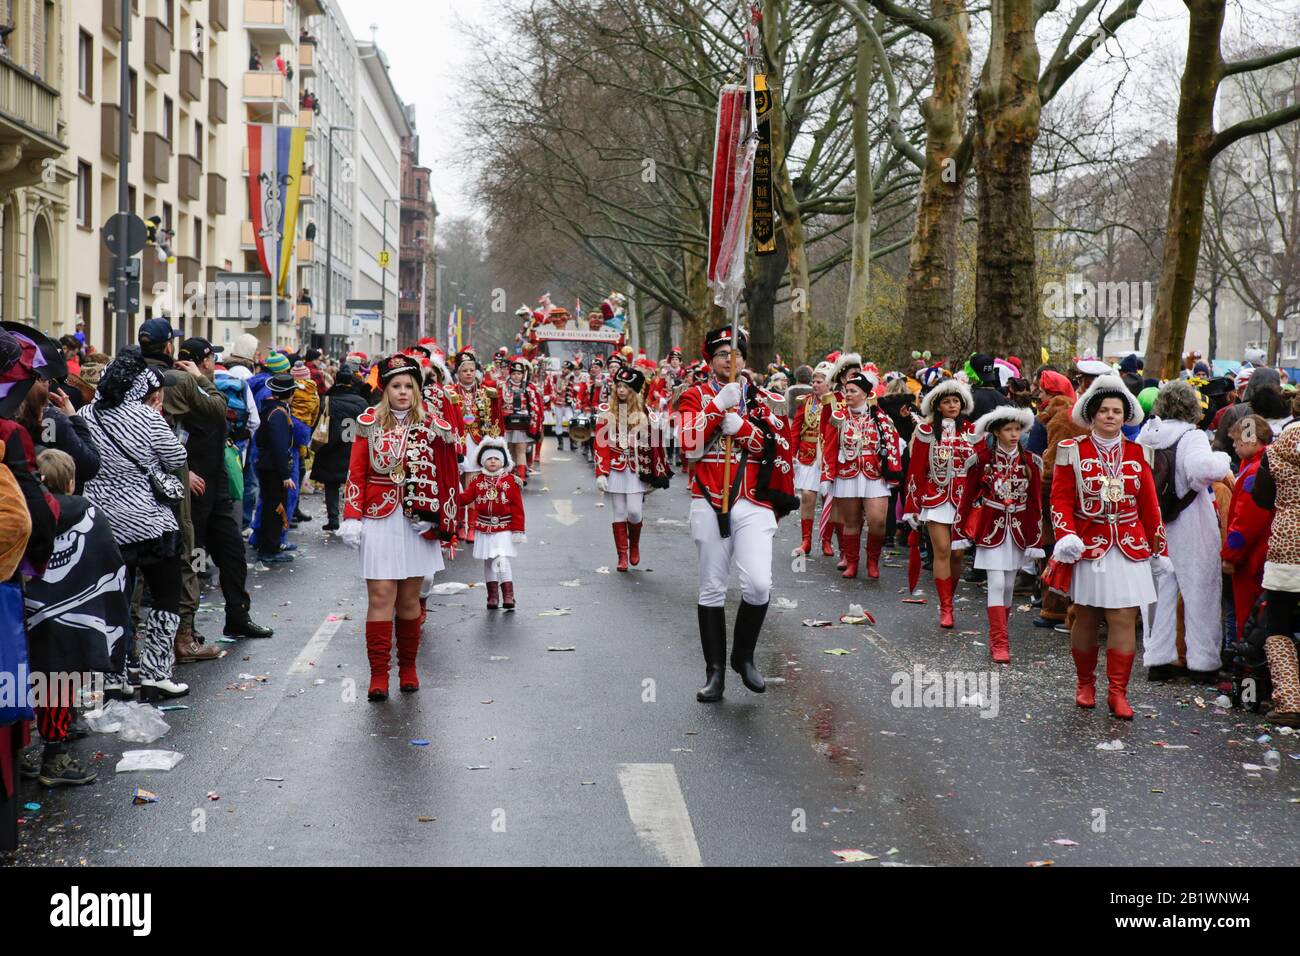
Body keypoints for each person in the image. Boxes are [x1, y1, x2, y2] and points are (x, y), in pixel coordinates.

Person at [678, 325, 797, 703]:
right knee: (712, 586)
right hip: (709, 497)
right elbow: (687, 444)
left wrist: (744, 428)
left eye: (736, 353)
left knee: (759, 584)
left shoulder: (766, 400)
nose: (730, 359)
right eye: (722, 354)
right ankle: (714, 673)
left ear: (746, 358)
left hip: (753, 499)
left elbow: (780, 446)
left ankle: (743, 656)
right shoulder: (693, 396)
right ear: (710, 359)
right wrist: (715, 408)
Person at [339, 355, 459, 701]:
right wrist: (351, 516)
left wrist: (436, 515)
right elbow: (357, 472)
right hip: (378, 518)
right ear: (385, 389)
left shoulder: (434, 425)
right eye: (396, 386)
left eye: (409, 386)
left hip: (416, 522)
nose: (403, 392)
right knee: (380, 597)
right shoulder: (368, 423)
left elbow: (446, 473)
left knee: (409, 600)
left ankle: (408, 667)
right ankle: (379, 675)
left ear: (417, 389)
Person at [1050, 375, 1167, 719]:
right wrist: (1065, 535)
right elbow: (1059, 499)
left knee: (1124, 617)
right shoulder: (1072, 450)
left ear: (1125, 415)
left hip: (1130, 545)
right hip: (1088, 543)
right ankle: (1085, 682)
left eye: (1117, 411)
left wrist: (1159, 548)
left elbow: (1150, 506)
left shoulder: (1139, 452)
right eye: (1104, 411)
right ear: (1092, 414)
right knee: (1085, 614)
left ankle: (1118, 692)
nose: (1111, 416)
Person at [80, 350, 191, 702]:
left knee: (113, 599)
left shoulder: (84, 416)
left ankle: (113, 675)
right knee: (165, 595)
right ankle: (156, 672)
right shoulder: (146, 417)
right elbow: (177, 457)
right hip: (149, 523)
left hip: (102, 526)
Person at [23, 450, 127, 785]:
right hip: (77, 616)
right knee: (60, 681)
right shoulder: (90, 514)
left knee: (23, 681)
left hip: (27, 611)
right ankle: (55, 758)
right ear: (71, 482)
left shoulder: (24, 510)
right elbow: (110, 558)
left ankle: (20, 755)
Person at [175, 338, 273, 645]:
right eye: (209, 359)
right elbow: (166, 430)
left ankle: (238, 617)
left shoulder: (211, 384)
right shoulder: (177, 386)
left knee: (232, 553)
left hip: (215, 486)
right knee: (191, 560)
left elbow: (228, 420)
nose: (211, 364)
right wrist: (183, 469)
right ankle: (185, 629)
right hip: (190, 489)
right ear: (204, 361)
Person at [1137, 380, 1233, 682]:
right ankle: (1203, 662)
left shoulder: (1146, 435)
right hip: (1192, 522)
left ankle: (1158, 659)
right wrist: (1224, 459)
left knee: (1157, 595)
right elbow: (1203, 470)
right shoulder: (1192, 437)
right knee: (1201, 592)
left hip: (1156, 524)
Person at [955, 406, 1043, 663]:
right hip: (990, 530)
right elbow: (967, 497)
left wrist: (1035, 540)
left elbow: (1036, 504)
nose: (1014, 434)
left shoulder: (1031, 462)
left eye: (1018, 429)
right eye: (1008, 429)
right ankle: (1000, 642)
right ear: (996, 431)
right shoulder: (981, 460)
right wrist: (960, 531)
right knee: (995, 583)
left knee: (1007, 586)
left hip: (1017, 531)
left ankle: (1001, 634)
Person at [903, 377, 976, 628]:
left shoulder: (971, 430)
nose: (953, 405)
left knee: (958, 554)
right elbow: (916, 469)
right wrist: (911, 507)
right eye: (947, 401)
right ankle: (946, 607)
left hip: (963, 500)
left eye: (956, 401)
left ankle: (950, 597)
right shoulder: (925, 431)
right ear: (938, 405)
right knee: (943, 550)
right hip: (934, 498)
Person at [822, 369, 902, 580]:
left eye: (853, 391)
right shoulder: (838, 418)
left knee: (877, 521)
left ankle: (873, 561)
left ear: (865, 394)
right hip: (847, 474)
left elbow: (893, 445)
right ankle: (853, 562)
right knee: (852, 521)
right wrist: (826, 476)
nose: (847, 394)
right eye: (846, 390)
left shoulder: (881, 418)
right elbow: (829, 447)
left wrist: (892, 472)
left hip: (875, 475)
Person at [1248, 418, 1300, 726]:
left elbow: (1262, 498)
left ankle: (1288, 702)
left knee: (1278, 625)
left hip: (1286, 545)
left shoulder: (1276, 449)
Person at [594, 365, 671, 571]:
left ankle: (634, 544)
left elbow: (656, 444)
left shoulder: (646, 413)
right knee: (619, 511)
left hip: (638, 468)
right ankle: (622, 555)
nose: (620, 390)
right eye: (618, 385)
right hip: (615, 467)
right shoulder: (605, 411)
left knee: (635, 512)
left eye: (625, 387)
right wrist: (601, 472)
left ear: (633, 390)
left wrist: (657, 470)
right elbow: (600, 444)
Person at [1221, 414, 1274, 641]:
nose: (1233, 446)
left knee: (1249, 617)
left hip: (1253, 558)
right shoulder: (1260, 465)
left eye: (1236, 440)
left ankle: (1248, 675)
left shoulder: (1254, 472)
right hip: (1262, 553)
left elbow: (1246, 521)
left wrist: (1231, 556)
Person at [460, 438, 526, 609]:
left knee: (501, 558)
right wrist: (454, 490)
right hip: (483, 527)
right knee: (489, 561)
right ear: (483, 461)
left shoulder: (510, 481)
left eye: (496, 458)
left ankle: (508, 595)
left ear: (502, 461)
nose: (493, 461)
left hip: (504, 527)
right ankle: (492, 597)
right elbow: (466, 498)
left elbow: (518, 507)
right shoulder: (476, 480)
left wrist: (519, 530)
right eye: (489, 458)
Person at [311, 362, 367, 532]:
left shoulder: (328, 400)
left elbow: (319, 423)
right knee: (354, 484)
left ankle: (333, 518)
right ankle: (352, 516)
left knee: (331, 484)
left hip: (332, 448)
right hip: (355, 448)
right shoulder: (362, 403)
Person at [253, 374, 300, 565]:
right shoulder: (279, 414)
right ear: (289, 393)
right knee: (275, 508)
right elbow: (279, 447)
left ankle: (268, 545)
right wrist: (285, 474)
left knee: (269, 507)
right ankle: (270, 549)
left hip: (266, 464)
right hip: (273, 468)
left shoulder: (270, 409)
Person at [787, 362, 832, 557]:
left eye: (819, 382)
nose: (814, 385)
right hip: (808, 455)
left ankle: (827, 540)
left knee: (830, 499)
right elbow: (796, 430)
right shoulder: (804, 401)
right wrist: (791, 455)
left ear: (829, 384)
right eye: (813, 381)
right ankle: (806, 541)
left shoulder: (838, 403)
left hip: (829, 457)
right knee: (807, 495)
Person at [500, 359, 542, 484]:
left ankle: (522, 477)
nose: (516, 376)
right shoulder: (503, 386)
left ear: (523, 374)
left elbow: (536, 406)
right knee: (510, 450)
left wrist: (535, 424)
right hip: (507, 424)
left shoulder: (529, 387)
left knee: (521, 450)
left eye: (519, 373)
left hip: (523, 424)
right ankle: (512, 475)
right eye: (514, 373)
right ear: (510, 374)